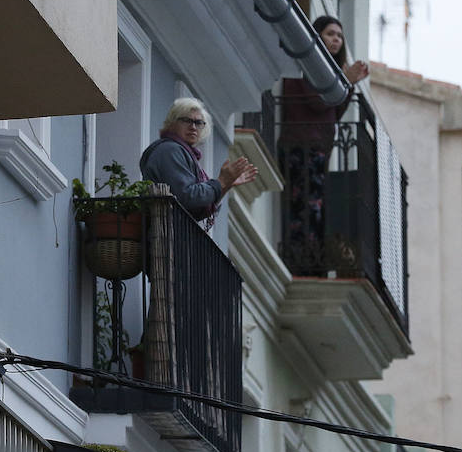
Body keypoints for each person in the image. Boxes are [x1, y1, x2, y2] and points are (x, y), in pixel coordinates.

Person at [277, 16, 370, 267]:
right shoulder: (305, 64)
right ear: (317, 36)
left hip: (317, 148)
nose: (337, 39)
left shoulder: (328, 72)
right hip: (300, 145)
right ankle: (303, 259)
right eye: (330, 33)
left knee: (315, 206)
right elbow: (317, 102)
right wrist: (345, 80)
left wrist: (347, 85)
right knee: (306, 205)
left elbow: (334, 111)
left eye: (340, 35)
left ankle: (312, 259)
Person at [139, 99, 257, 228]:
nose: (193, 127)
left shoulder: (183, 152)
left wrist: (225, 186)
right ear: (171, 123)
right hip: (163, 235)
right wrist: (221, 182)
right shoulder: (170, 149)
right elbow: (186, 196)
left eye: (198, 123)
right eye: (186, 120)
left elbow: (196, 211)